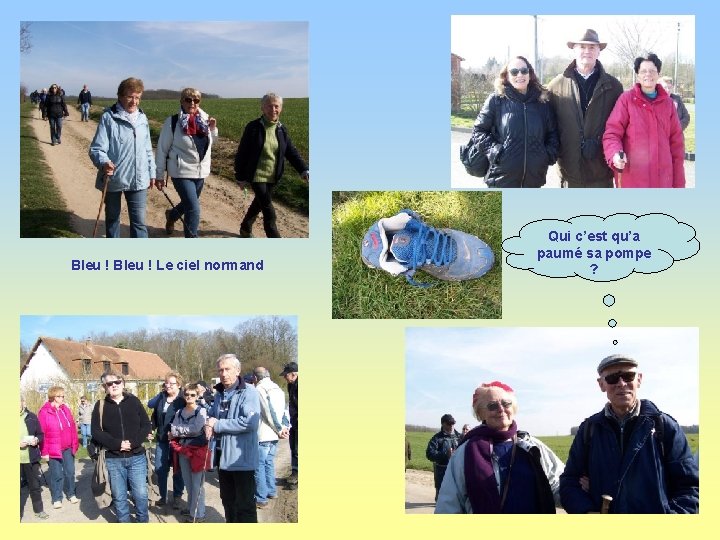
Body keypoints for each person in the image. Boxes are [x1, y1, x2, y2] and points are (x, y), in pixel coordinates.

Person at [560, 354, 699, 513]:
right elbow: (569, 482)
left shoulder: (665, 427)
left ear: (639, 379)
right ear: (601, 384)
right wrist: (587, 512)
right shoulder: (589, 430)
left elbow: (689, 488)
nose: (621, 383)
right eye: (612, 378)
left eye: (628, 376)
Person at [435, 382, 564, 513]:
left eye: (506, 403)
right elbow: (448, 506)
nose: (501, 409)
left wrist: (580, 499)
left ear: (513, 408)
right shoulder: (465, 453)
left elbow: (559, 484)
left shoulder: (533, 447)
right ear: (481, 414)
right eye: (492, 406)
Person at [547, 29, 623, 188]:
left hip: (602, 174)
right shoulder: (556, 86)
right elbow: (548, 127)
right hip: (570, 175)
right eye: (582, 47)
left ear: (598, 51)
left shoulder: (614, 87)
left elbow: (621, 127)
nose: (587, 51)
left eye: (592, 47)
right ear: (574, 49)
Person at [470, 56, 559, 188]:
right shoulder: (496, 100)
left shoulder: (542, 103)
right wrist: (495, 151)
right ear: (506, 76)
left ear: (530, 74)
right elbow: (478, 131)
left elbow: (553, 134)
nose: (520, 75)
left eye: (524, 71)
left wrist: (546, 156)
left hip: (534, 180)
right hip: (501, 180)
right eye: (514, 71)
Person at [602, 54, 686, 188]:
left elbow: (676, 145)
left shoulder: (668, 104)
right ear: (637, 75)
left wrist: (679, 184)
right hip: (633, 180)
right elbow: (612, 133)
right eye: (643, 71)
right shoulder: (626, 100)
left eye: (652, 71)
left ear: (658, 74)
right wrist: (615, 154)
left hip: (663, 181)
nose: (648, 74)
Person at [88, 77, 158, 238]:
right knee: (113, 219)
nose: (134, 101)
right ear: (120, 96)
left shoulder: (142, 118)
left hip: (139, 179)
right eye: (130, 96)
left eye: (137, 97)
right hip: (114, 179)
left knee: (139, 223)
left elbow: (147, 148)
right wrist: (104, 162)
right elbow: (97, 148)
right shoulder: (109, 118)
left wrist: (152, 172)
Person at [234, 93, 309, 238]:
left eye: (276, 106)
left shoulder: (281, 129)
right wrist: (240, 176)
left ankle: (245, 228)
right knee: (269, 211)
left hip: (273, 176)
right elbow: (242, 152)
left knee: (258, 204)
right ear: (262, 108)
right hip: (257, 176)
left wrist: (303, 169)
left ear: (281, 108)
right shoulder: (253, 127)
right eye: (269, 105)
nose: (273, 109)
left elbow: (291, 151)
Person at [204, 354, 261, 522]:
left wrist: (218, 425)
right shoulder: (219, 393)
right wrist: (208, 424)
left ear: (238, 370)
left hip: (241, 459)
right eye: (220, 370)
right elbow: (214, 417)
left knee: (244, 505)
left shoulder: (248, 392)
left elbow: (249, 423)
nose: (223, 373)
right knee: (228, 502)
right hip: (222, 458)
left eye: (227, 369)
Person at [155, 87, 218, 238]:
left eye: (196, 100)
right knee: (194, 208)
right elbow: (162, 149)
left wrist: (213, 129)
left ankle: (171, 216)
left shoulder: (205, 118)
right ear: (181, 101)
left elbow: (211, 143)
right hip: (180, 171)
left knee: (188, 204)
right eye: (188, 99)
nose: (192, 103)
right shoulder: (173, 122)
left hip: (200, 172)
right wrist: (159, 175)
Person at [91, 370, 153, 523]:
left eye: (117, 382)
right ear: (104, 387)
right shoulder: (100, 406)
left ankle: (142, 522)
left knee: (140, 494)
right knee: (119, 497)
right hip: (114, 459)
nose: (114, 385)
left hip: (136, 456)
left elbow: (146, 425)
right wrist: (117, 444)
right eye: (109, 383)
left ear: (123, 383)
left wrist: (133, 443)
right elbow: (96, 432)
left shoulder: (134, 401)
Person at [169, 383, 209, 522]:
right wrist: (185, 430)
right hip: (182, 450)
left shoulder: (201, 411)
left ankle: (199, 514)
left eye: (192, 395)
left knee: (197, 484)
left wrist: (181, 430)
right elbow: (173, 429)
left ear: (197, 396)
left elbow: (197, 429)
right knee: (188, 482)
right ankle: (192, 508)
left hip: (197, 451)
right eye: (186, 394)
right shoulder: (179, 412)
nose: (189, 397)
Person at [148, 371, 186, 510]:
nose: (168, 385)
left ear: (179, 385)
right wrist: (150, 429)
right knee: (160, 469)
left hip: (177, 442)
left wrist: (176, 433)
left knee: (177, 470)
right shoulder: (162, 398)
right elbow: (153, 413)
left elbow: (187, 419)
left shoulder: (183, 400)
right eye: (166, 383)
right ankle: (163, 497)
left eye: (171, 383)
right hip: (162, 440)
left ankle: (177, 496)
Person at [37, 386, 79, 509]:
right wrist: (44, 452)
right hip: (54, 450)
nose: (62, 398)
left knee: (70, 472)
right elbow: (42, 433)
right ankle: (56, 498)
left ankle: (71, 494)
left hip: (67, 448)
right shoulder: (44, 412)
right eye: (60, 396)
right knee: (56, 475)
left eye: (63, 396)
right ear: (53, 397)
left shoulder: (65, 409)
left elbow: (72, 428)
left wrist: (74, 444)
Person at [253, 366, 287, 508]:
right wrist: (284, 427)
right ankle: (271, 491)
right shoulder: (278, 388)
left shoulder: (259, 389)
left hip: (264, 433)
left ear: (256, 378)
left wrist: (279, 428)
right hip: (274, 434)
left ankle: (261, 498)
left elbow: (267, 411)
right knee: (268, 463)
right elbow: (283, 411)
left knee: (258, 466)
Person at [20, 396, 49, 520]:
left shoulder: (31, 416)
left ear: (23, 402)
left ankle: (39, 510)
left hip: (31, 458)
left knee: (35, 486)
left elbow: (40, 434)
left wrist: (36, 440)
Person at [425, 413, 462, 501]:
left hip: (457, 472)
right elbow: (429, 454)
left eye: (453, 423)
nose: (452, 426)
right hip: (442, 473)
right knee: (441, 498)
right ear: (443, 424)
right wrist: (445, 454)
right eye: (449, 423)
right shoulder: (437, 438)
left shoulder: (460, 437)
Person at [280, 361, 298, 487]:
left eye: (286, 375)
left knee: (297, 448)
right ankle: (295, 471)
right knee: (293, 447)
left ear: (293, 374)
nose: (285, 378)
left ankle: (296, 473)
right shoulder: (291, 385)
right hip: (294, 421)